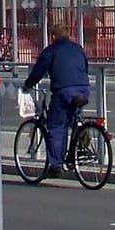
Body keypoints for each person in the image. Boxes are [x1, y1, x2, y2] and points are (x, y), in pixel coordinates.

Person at [22, 23, 91, 178]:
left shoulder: (51, 51)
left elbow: (38, 71)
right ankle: (81, 134)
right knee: (72, 117)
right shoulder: (78, 48)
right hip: (83, 89)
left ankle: (55, 165)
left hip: (64, 91)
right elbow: (85, 67)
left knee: (56, 126)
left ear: (53, 36)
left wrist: (28, 85)